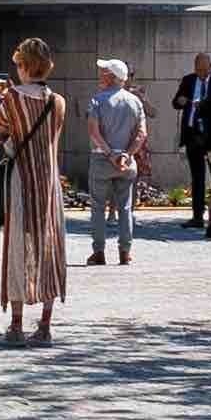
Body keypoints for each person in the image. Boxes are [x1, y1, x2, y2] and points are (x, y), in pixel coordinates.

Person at [0, 37, 70, 340]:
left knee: (18, 247)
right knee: (49, 247)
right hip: (49, 182)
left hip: (22, 178)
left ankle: (17, 325)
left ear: (23, 65)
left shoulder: (12, 99)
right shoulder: (58, 101)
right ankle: (45, 325)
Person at [82, 58, 150, 266]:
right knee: (125, 208)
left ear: (112, 77)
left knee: (98, 207)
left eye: (104, 72)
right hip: (126, 162)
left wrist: (110, 154)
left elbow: (94, 132)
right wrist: (127, 155)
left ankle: (99, 251)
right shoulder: (135, 101)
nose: (100, 75)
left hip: (102, 159)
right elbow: (141, 134)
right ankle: (125, 252)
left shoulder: (97, 101)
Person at [174, 51, 211, 232]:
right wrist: (181, 100)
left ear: (210, 67)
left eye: (204, 69)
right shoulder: (188, 80)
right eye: (198, 69)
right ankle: (197, 216)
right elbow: (175, 103)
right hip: (193, 135)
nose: (201, 73)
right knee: (197, 177)